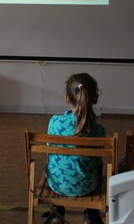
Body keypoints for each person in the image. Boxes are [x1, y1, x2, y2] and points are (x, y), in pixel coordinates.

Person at [43, 73, 105, 224]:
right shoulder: (98, 130)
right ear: (95, 98)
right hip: (87, 187)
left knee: (56, 162)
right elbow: (95, 162)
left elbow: (50, 151)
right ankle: (91, 215)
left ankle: (56, 213)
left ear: (66, 97)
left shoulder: (55, 122)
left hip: (57, 185)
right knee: (99, 165)